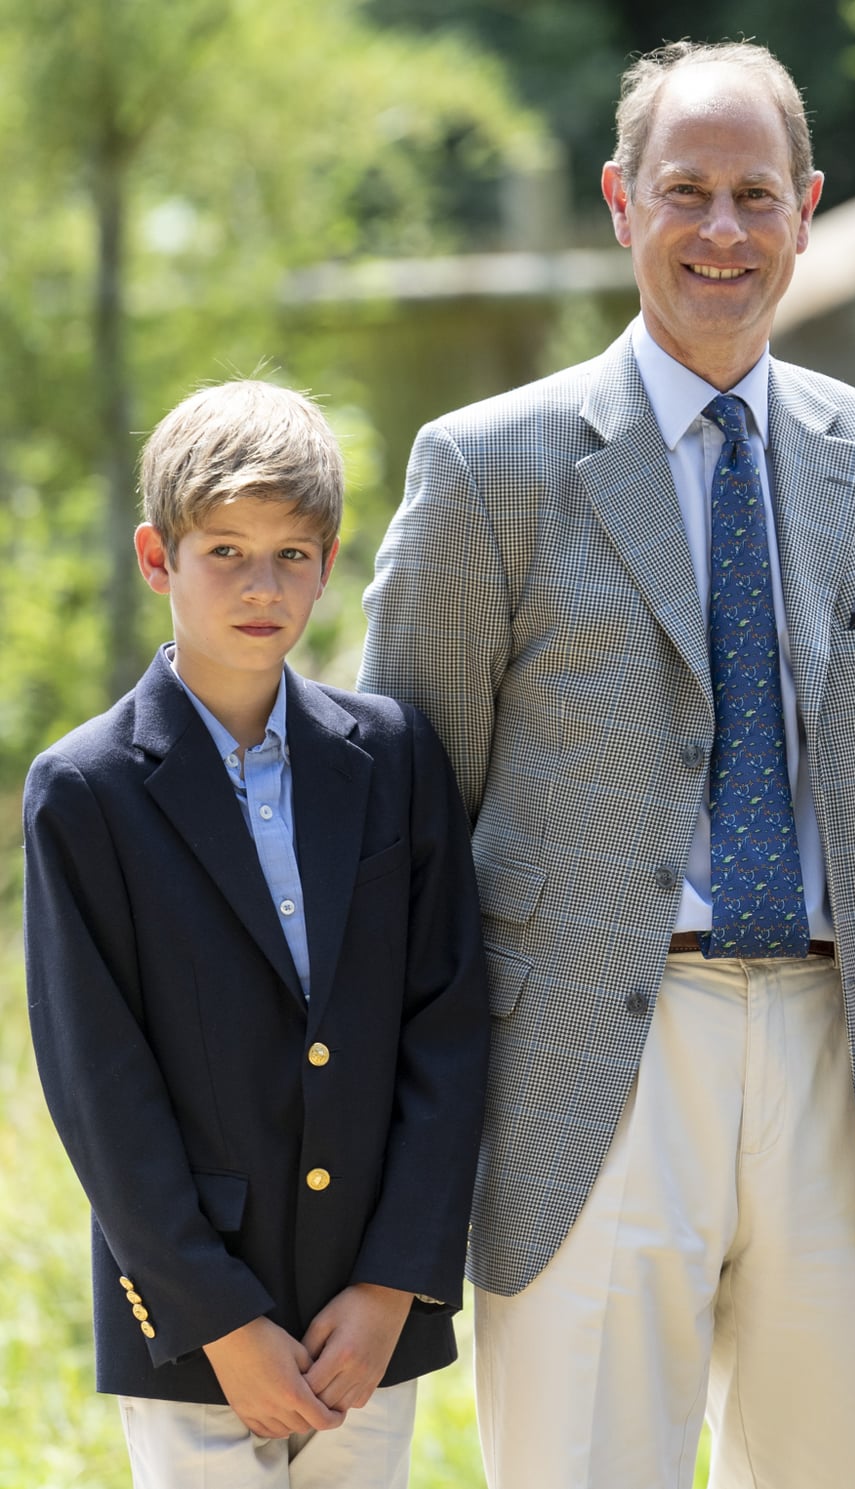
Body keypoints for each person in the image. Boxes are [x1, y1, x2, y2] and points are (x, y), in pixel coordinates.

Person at [357, 39, 855, 1489]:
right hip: (583, 1069)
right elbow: (402, 815)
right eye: (686, 191)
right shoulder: (487, 466)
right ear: (622, 202)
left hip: (834, 1053)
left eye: (757, 194)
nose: (722, 231)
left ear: (808, 207)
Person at [22, 380, 489, 1489]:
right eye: (224, 551)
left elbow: (448, 1026)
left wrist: (390, 1288)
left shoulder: (393, 758)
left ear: (329, 563)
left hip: (362, 1321)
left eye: (290, 554)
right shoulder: (83, 791)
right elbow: (99, 1082)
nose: (260, 585)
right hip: (194, 1323)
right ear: (156, 558)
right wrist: (219, 1318)